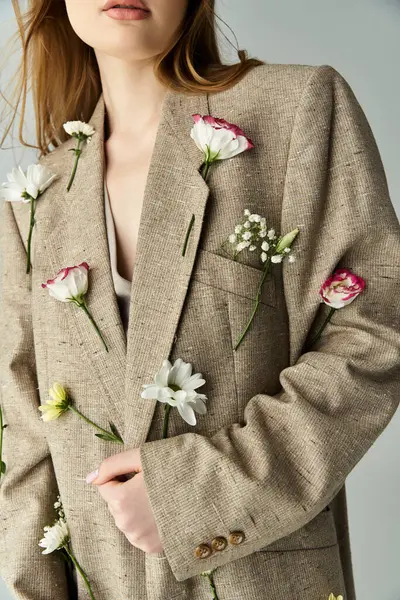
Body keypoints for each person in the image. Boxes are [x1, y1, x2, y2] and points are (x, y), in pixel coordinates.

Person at [0, 1, 399, 599]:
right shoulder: (36, 205)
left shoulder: (296, 112)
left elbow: (377, 331)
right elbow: (24, 445)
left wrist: (197, 496)